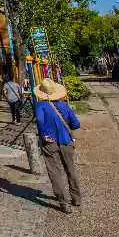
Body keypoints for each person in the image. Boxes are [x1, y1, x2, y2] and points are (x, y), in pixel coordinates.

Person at [34, 78, 81, 214]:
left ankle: (64, 202)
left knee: (55, 173)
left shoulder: (40, 106)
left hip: (49, 143)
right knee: (71, 170)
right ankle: (76, 198)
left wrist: (44, 134)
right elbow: (76, 124)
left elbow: (39, 121)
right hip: (66, 141)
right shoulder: (64, 106)